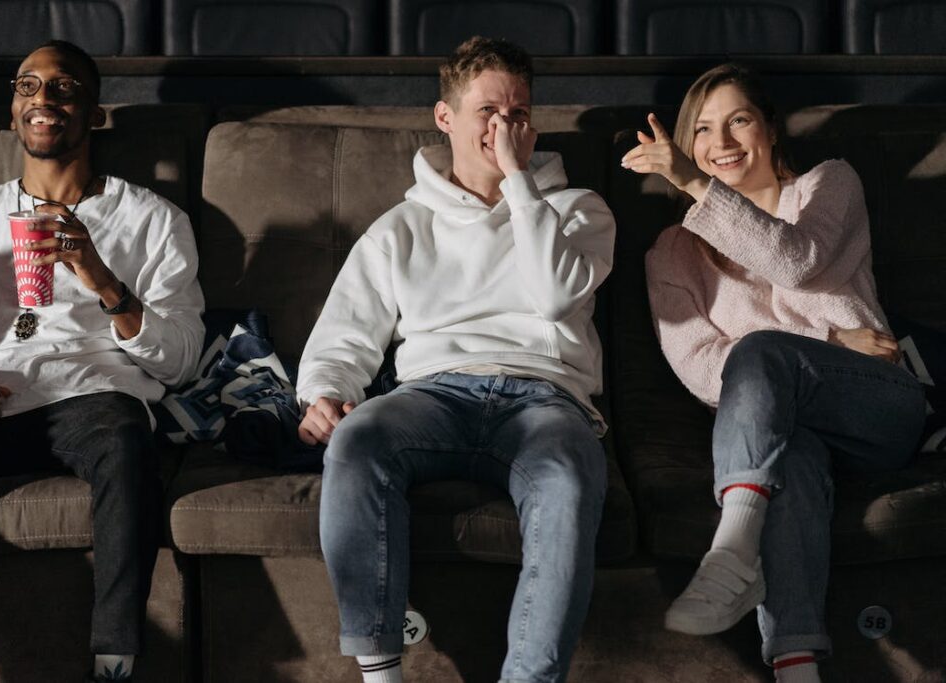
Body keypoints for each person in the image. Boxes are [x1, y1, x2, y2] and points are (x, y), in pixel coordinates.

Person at [295, 36, 615, 683]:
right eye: (488, 113)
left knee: (569, 478)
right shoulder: (402, 226)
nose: (504, 129)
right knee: (357, 441)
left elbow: (553, 297)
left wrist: (520, 183)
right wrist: (324, 390)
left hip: (546, 396)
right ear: (445, 118)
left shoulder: (577, 209)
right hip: (435, 396)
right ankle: (382, 675)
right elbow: (346, 330)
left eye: (519, 115)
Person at [622, 63, 926, 682]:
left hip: (874, 403)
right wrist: (830, 336)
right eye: (703, 130)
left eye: (738, 120)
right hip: (776, 439)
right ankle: (796, 668)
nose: (722, 143)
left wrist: (694, 183)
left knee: (757, 352)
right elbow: (703, 368)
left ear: (769, 128)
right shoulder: (673, 253)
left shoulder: (827, 186)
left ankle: (731, 552)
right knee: (782, 462)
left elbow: (795, 261)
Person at [0, 40, 205, 683]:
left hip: (95, 394)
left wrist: (102, 278)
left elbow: (180, 363)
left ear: (93, 113)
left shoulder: (155, 220)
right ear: (12, 108)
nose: (43, 99)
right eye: (28, 86)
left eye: (63, 88)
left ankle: (115, 662)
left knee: (126, 442)